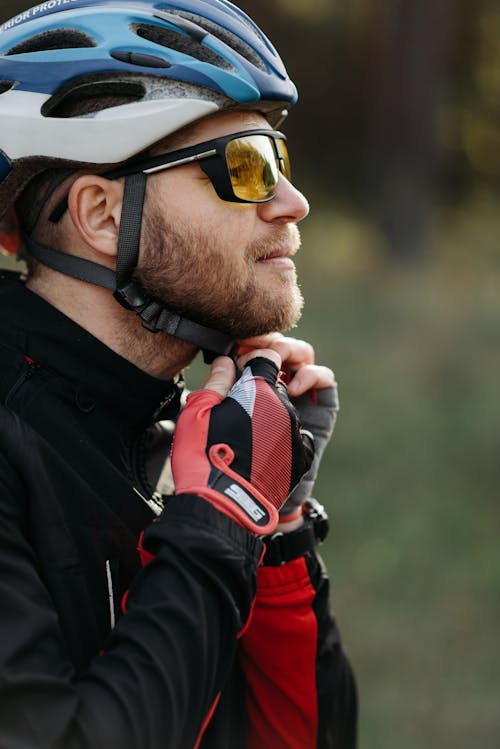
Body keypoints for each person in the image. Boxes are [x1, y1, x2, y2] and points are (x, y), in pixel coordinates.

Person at [0, 1, 357, 747]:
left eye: (279, 162)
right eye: (247, 166)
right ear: (100, 215)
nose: (293, 202)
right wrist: (221, 525)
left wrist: (278, 529)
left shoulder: (170, 434)